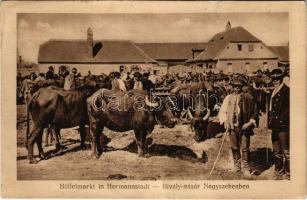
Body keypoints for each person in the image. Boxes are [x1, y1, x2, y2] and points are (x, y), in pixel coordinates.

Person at [218, 77, 259, 178]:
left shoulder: (249, 97)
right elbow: (222, 111)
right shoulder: (228, 98)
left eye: (239, 87)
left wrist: (249, 123)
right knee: (234, 147)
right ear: (232, 87)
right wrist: (225, 121)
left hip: (244, 127)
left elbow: (255, 113)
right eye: (235, 87)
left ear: (242, 87)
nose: (236, 89)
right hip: (232, 126)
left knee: (245, 148)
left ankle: (245, 167)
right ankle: (237, 165)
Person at [268, 68, 290, 180]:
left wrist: (280, 120)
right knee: (276, 149)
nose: (275, 81)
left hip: (283, 125)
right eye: (273, 79)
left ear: (281, 79)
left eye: (277, 79)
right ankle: (279, 170)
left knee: (286, 149)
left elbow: (289, 110)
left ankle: (289, 172)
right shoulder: (274, 90)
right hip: (275, 125)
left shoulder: (287, 91)